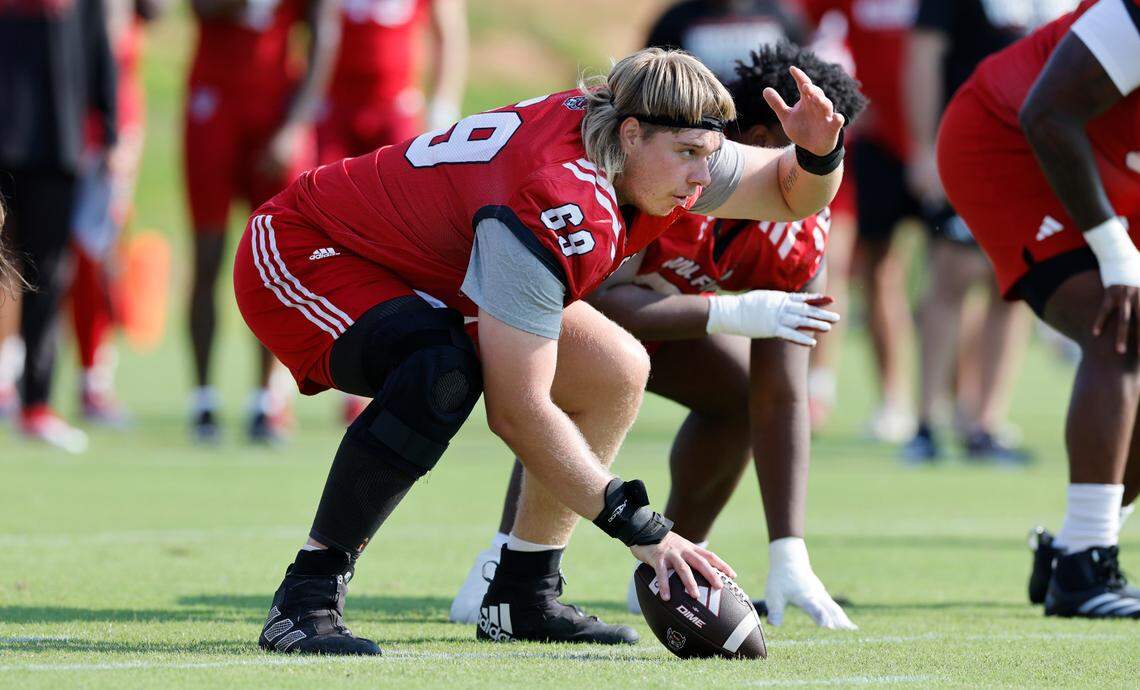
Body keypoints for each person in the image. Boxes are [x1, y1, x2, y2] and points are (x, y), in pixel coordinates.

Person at [233, 47, 847, 653]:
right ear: (630, 135)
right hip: (308, 252)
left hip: (437, 270)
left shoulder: (656, 148)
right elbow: (518, 410)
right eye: (688, 156)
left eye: (707, 157)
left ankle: (521, 593)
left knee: (616, 369)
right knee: (438, 370)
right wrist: (647, 532)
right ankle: (306, 597)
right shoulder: (558, 195)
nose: (700, 178)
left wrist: (822, 154)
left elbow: (791, 195)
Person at [449, 41, 864, 632]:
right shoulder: (669, 174)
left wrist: (788, 550)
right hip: (552, 315)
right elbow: (588, 300)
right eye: (797, 147)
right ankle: (505, 562)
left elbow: (781, 392)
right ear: (755, 138)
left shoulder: (797, 228)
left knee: (739, 397)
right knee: (589, 377)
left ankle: (675, 572)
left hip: (661, 324)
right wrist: (727, 315)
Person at [937, 0, 1140, 617]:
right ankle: (1083, 567)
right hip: (1010, 140)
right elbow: (1046, 113)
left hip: (1104, 155)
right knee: (1124, 330)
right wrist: (1114, 251)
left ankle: (1077, 545)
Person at [899, 0, 1075, 463]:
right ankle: (925, 423)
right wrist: (923, 146)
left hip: (1039, 155)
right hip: (973, 144)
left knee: (1016, 285)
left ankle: (985, 424)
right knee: (951, 278)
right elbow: (923, 56)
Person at [184, 0, 340, 443]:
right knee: (208, 255)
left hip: (274, 105)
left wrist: (296, 123)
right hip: (214, 99)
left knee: (277, 259)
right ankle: (203, 398)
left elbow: (323, 33)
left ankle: (265, 399)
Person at [316, 0, 468, 423]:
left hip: (395, 109)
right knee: (324, 238)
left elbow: (448, 33)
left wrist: (443, 104)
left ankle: (392, 364)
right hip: (335, 109)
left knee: (399, 241)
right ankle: (303, 375)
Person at [0, 0, 117, 453]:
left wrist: (107, 128)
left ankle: (36, 403)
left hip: (56, 138)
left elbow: (95, 41)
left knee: (47, 272)